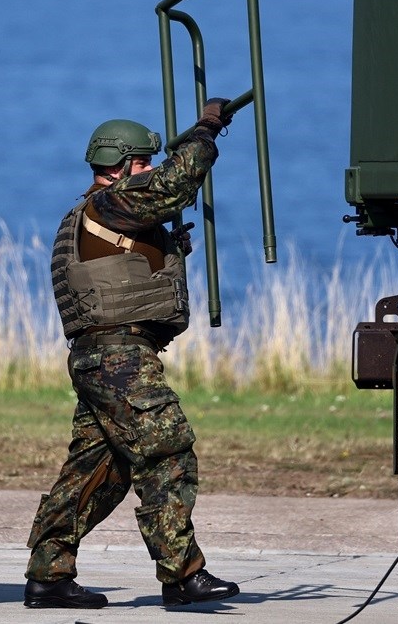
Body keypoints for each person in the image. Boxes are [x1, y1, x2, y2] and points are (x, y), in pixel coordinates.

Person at [23, 99, 239, 609]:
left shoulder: (98, 211)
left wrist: (168, 249)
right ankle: (183, 575)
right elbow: (175, 183)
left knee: (99, 470)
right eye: (141, 163)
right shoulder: (112, 203)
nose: (146, 172)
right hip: (119, 358)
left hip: (105, 357)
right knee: (167, 450)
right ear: (118, 165)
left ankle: (48, 575)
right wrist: (206, 130)